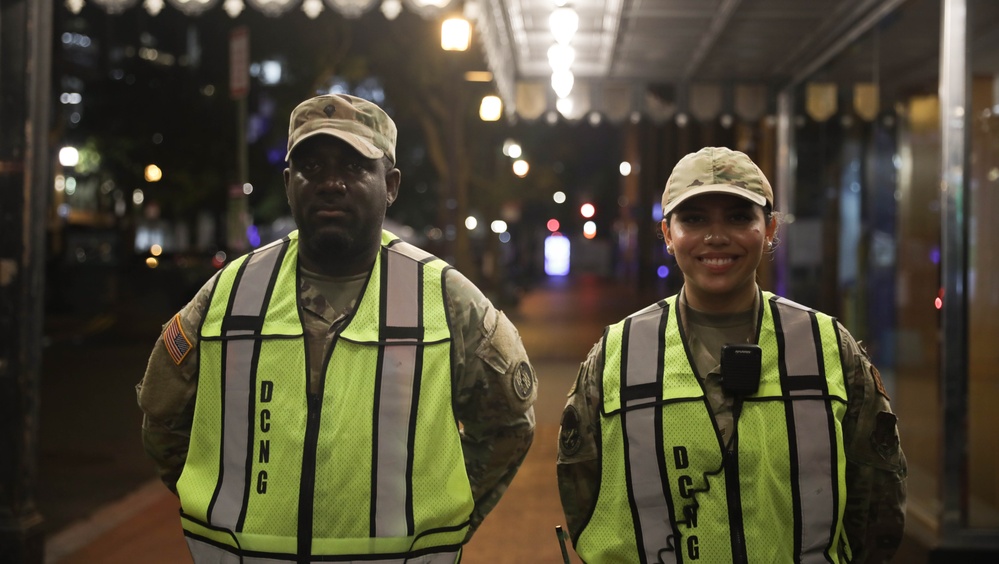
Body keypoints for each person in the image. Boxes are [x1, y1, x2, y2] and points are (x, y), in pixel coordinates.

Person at [136, 94, 537, 563]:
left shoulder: (449, 302)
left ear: (390, 185)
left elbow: (508, 424)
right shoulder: (227, 295)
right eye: (310, 167)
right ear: (289, 183)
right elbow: (163, 422)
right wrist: (224, 498)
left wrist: (443, 514)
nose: (330, 183)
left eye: (353, 166)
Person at [556, 147, 906, 563]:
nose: (716, 236)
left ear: (770, 228)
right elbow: (582, 497)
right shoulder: (618, 354)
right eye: (695, 218)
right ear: (667, 233)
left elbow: (877, 504)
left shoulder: (826, 347)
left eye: (739, 217)